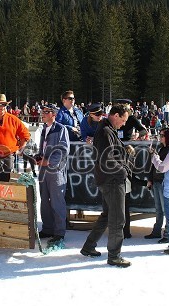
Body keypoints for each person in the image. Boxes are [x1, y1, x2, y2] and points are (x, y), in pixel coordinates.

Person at [80, 104, 131, 267]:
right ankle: (114, 255)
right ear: (115, 115)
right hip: (112, 181)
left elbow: (109, 154)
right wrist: (122, 171)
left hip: (108, 179)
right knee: (118, 219)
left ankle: (89, 246)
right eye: (123, 120)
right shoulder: (105, 131)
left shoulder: (107, 130)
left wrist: (124, 150)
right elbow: (106, 159)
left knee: (108, 215)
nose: (123, 124)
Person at [35, 104, 70, 245]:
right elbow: (43, 147)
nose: (42, 114)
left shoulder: (61, 129)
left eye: (46, 112)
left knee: (57, 201)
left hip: (55, 171)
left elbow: (63, 150)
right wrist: (38, 156)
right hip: (44, 170)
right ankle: (48, 228)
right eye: (42, 111)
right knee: (44, 201)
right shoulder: (44, 129)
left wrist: (48, 162)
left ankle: (59, 232)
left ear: (53, 114)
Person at [0, 93, 30, 182]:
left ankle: (1, 195)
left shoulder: (14, 119)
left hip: (8, 153)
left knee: (4, 177)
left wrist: (21, 149)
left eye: (4, 104)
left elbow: (25, 135)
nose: (2, 106)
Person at [144, 127, 169, 243]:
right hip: (157, 181)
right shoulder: (162, 148)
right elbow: (153, 165)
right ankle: (157, 231)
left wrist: (154, 155)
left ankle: (167, 234)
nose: (160, 137)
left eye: (162, 135)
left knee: (166, 209)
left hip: (164, 181)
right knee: (159, 209)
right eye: (160, 135)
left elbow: (162, 165)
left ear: (168, 136)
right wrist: (150, 179)